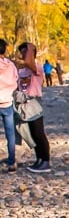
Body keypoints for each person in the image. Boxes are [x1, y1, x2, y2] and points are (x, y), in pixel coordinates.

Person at [16, 42, 51, 173]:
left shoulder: (37, 67)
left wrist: (30, 48)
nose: (23, 54)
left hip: (34, 102)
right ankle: (39, 159)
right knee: (31, 134)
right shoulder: (22, 70)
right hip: (24, 104)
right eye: (22, 52)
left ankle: (46, 161)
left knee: (39, 132)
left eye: (26, 51)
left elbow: (29, 62)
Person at [0, 39, 18, 172]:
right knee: (10, 133)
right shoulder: (11, 65)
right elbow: (16, 80)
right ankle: (12, 161)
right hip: (7, 102)